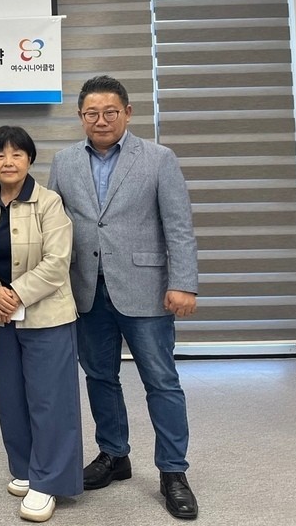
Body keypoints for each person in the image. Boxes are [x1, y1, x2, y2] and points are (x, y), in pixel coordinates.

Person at [48, 75, 199, 521]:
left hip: (146, 289)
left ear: (128, 113)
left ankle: (173, 471)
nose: (101, 120)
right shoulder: (64, 162)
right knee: (100, 377)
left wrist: (183, 282)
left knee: (161, 381)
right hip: (86, 290)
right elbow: (54, 225)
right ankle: (114, 454)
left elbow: (179, 225)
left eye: (110, 112)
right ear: (80, 116)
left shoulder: (158, 159)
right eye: (91, 113)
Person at [0, 126, 82, 523]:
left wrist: (14, 292)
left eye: (17, 154)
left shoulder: (49, 203)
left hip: (47, 316)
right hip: (2, 317)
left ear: (30, 159)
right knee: (11, 396)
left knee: (50, 399)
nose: (8, 161)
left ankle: (49, 481)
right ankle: (27, 468)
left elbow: (57, 262)